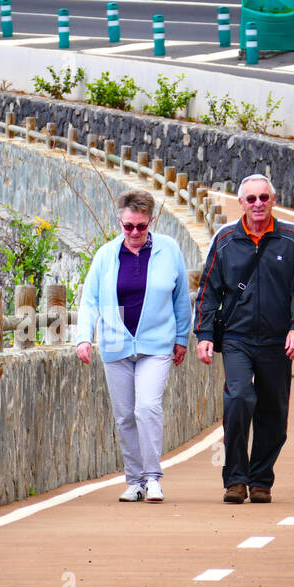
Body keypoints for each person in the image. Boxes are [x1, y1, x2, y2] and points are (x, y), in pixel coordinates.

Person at [194, 173, 294, 504]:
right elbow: (207, 289)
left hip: (277, 340)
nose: (258, 204)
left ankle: (261, 479)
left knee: (274, 411)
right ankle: (235, 478)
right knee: (238, 399)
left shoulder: (292, 237)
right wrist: (204, 334)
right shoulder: (225, 239)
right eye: (251, 199)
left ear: (273, 200)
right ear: (241, 203)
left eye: (264, 197)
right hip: (237, 337)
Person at [76, 188, 192, 503]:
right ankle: (134, 480)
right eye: (129, 226)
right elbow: (89, 301)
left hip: (156, 344)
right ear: (119, 221)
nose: (135, 232)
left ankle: (153, 478)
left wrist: (182, 337)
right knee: (125, 415)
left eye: (142, 226)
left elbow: (181, 298)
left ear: (151, 221)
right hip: (115, 345)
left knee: (147, 407)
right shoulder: (105, 256)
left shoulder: (169, 250)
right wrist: (84, 338)